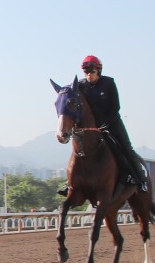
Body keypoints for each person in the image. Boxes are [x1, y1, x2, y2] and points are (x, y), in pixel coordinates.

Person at [57, 55, 148, 196]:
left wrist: (106, 124)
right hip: (91, 127)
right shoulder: (81, 85)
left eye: (91, 71)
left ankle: (140, 179)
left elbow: (116, 107)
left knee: (126, 148)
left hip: (112, 122)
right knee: (79, 151)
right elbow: (69, 94)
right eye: (86, 72)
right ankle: (70, 183)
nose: (88, 74)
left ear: (98, 70)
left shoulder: (109, 83)